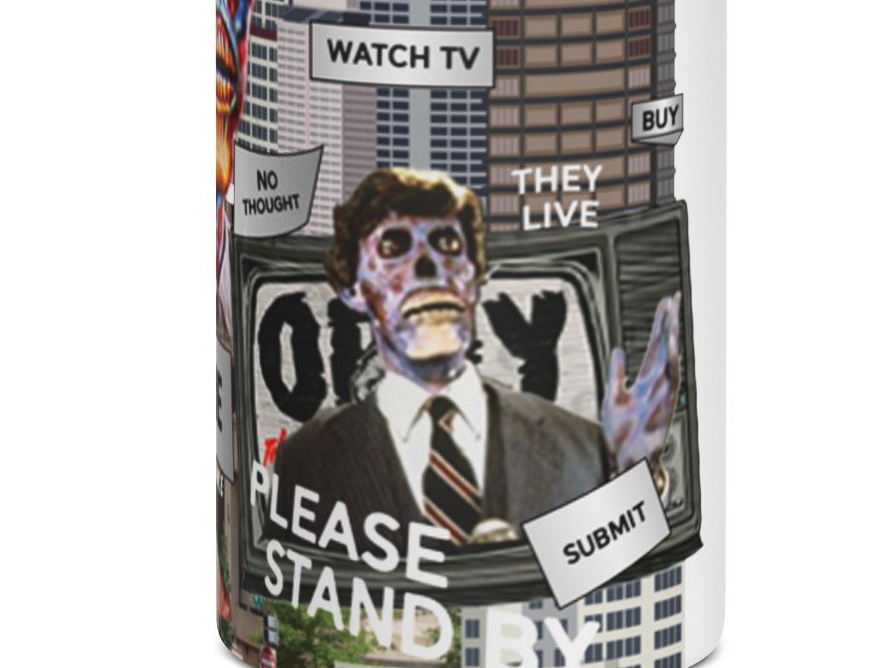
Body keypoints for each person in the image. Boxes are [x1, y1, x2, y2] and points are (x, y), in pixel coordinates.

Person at [272, 167, 682, 540]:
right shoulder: (305, 458)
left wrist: (637, 476)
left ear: (474, 277)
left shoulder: (583, 446)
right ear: (353, 290)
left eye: (448, 244)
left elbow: (606, 567)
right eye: (394, 246)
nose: (429, 266)